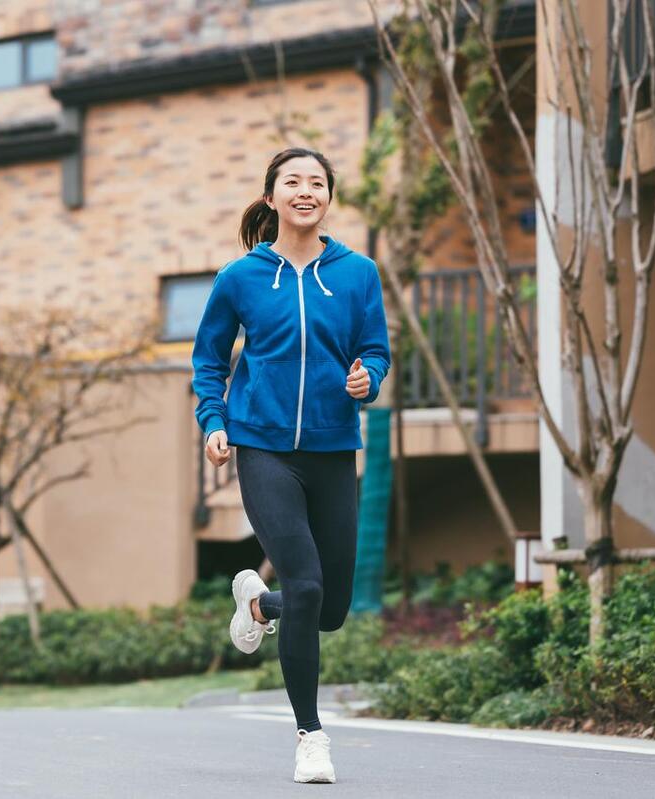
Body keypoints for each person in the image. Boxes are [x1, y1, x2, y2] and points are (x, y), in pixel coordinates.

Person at [190, 146, 391, 784]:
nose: (306, 191)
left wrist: (368, 379)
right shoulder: (240, 278)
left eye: (317, 183)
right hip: (264, 447)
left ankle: (257, 607)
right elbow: (209, 359)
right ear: (272, 197)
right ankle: (310, 735)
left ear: (329, 197)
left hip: (333, 449)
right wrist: (215, 422)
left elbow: (375, 349)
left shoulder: (358, 273)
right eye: (293, 183)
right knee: (305, 587)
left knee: (328, 609)